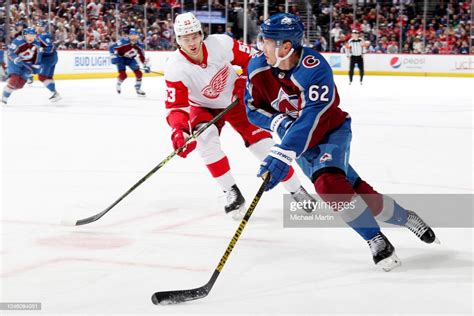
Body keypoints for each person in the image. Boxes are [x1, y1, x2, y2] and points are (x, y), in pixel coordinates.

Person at [245, 13, 438, 271]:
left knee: (328, 184)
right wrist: (278, 123)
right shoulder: (257, 66)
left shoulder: (314, 68)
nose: (261, 46)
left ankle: (375, 239)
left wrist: (283, 152)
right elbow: (252, 109)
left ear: (286, 47)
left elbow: (313, 118)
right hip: (298, 141)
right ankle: (406, 217)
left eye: (267, 41)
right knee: (357, 191)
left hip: (330, 131)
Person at [164, 12, 314, 219]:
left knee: (263, 146)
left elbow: (255, 60)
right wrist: (179, 130)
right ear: (178, 40)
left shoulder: (220, 44)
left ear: (201, 34)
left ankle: (297, 190)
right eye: (185, 38)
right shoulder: (175, 67)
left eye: (194, 36)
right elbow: (176, 107)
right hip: (203, 107)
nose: (191, 43)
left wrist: (244, 83)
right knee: (206, 140)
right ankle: (231, 191)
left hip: (236, 99)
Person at [2, 27, 42, 105]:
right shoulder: (18, 41)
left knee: (20, 85)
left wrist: (36, 65)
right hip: (15, 62)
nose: (31, 37)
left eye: (33, 35)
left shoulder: (37, 43)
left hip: (27, 64)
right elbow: (10, 53)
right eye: (29, 35)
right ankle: (5, 97)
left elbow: (38, 55)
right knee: (14, 79)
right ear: (24, 35)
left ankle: (8, 88)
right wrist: (15, 59)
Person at [109, 28, 151, 96]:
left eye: (135, 35)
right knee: (123, 75)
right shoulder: (123, 41)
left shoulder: (140, 45)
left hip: (131, 59)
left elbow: (142, 56)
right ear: (129, 35)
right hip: (120, 58)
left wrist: (146, 65)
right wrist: (113, 56)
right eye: (132, 35)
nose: (133, 37)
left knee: (139, 73)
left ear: (138, 36)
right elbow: (111, 47)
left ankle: (138, 89)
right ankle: (118, 84)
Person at [35, 20, 61, 102]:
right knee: (49, 77)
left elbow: (50, 48)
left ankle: (54, 93)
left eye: (39, 26)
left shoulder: (42, 36)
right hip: (52, 58)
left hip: (48, 59)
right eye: (37, 26)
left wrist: (41, 49)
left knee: (42, 77)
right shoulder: (41, 35)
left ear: (42, 27)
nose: (37, 27)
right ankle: (54, 93)